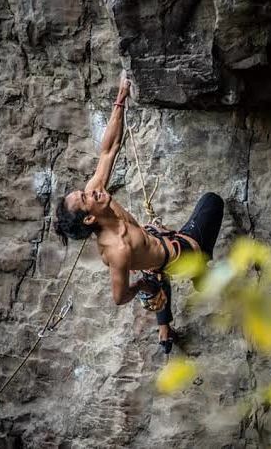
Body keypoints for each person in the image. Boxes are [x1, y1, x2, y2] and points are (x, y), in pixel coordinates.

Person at [53, 74, 224, 354]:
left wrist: (121, 97)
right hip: (175, 255)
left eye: (85, 191)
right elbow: (119, 296)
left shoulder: (98, 194)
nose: (92, 191)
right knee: (212, 203)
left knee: (153, 263)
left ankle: (163, 319)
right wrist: (142, 285)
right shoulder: (117, 250)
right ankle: (198, 273)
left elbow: (109, 149)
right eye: (86, 198)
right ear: (88, 219)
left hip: (151, 248)